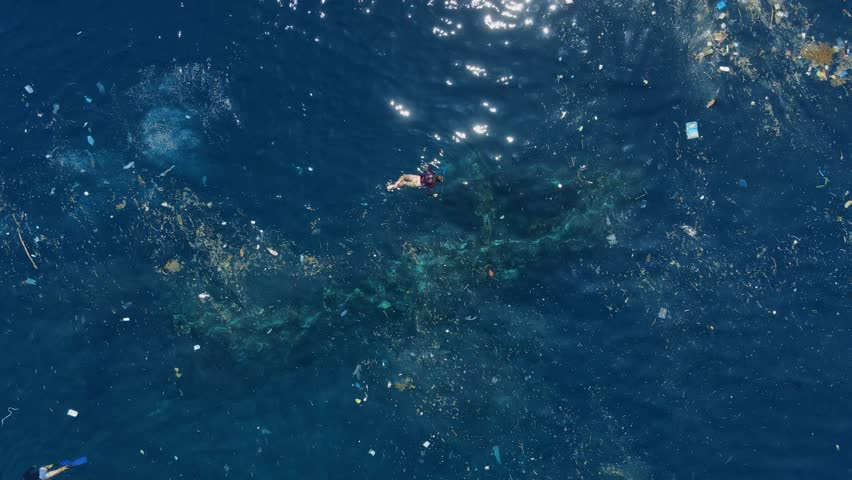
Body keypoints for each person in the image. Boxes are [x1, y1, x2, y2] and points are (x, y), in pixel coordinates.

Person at [22, 457, 87, 480]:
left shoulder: (24, 476)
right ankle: (59, 464)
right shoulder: (24, 476)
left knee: (60, 470)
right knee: (47, 466)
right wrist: (33, 467)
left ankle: (72, 464)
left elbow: (29, 470)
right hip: (41, 473)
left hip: (43, 476)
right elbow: (29, 470)